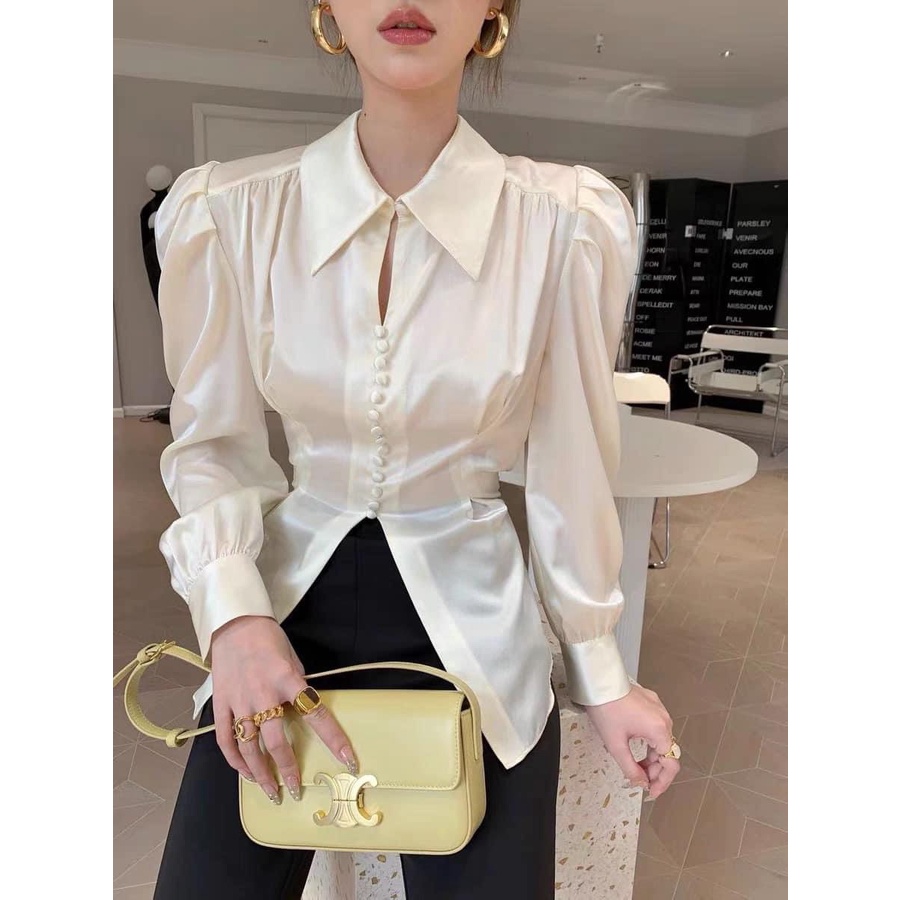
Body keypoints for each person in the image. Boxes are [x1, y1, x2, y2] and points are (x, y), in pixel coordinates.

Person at [151, 2, 680, 898]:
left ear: (493, 10)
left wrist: (600, 669)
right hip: (275, 617)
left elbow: (572, 465)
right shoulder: (230, 212)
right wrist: (233, 619)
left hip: (481, 635)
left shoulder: (562, 224)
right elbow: (213, 445)